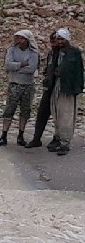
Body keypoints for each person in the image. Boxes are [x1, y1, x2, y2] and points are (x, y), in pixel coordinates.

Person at [0, 29, 39, 146]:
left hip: (27, 85)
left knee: (25, 110)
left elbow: (31, 69)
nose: (20, 41)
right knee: (9, 110)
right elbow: (8, 65)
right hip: (14, 84)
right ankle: (3, 136)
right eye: (18, 38)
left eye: (22, 38)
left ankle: (21, 136)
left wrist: (16, 66)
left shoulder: (34, 53)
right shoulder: (11, 50)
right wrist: (22, 64)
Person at [43, 27, 84, 156]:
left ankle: (65, 143)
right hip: (56, 87)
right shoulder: (55, 53)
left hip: (68, 88)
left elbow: (79, 71)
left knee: (66, 116)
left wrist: (79, 88)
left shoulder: (74, 53)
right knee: (56, 115)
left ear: (67, 40)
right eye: (58, 39)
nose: (59, 41)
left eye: (62, 39)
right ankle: (58, 138)